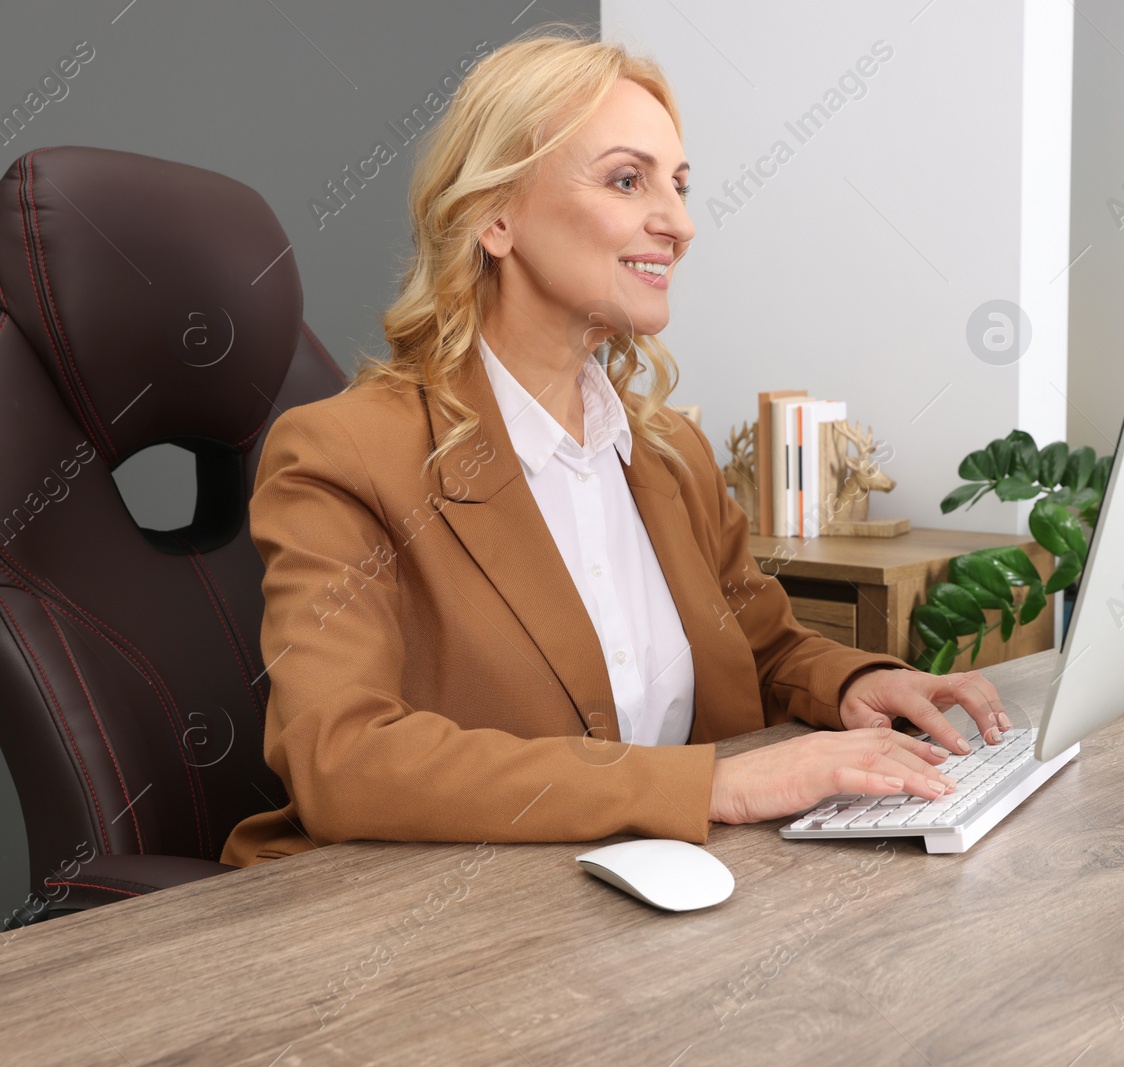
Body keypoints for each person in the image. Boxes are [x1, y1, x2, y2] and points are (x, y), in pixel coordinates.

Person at [219, 29, 1011, 868]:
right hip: (420, 931)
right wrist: (703, 788)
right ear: (494, 215)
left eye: (678, 185)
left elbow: (763, 647)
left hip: (639, 909)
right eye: (627, 180)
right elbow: (343, 760)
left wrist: (857, 685)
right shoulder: (341, 454)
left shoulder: (670, 450)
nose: (679, 222)